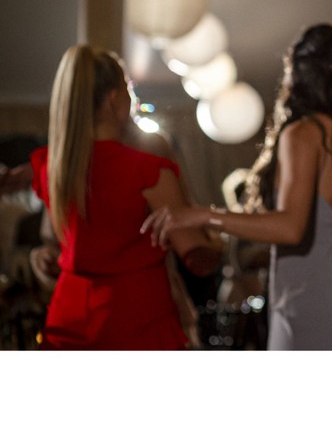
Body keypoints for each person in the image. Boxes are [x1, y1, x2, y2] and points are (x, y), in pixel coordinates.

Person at [144, 24, 332, 350]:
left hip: (312, 308)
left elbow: (289, 227)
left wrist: (203, 215)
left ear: (300, 72)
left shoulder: (303, 133)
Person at [29, 45, 220, 350]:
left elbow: (54, 244)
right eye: (128, 89)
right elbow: (197, 259)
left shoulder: (53, 169)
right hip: (138, 319)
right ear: (115, 100)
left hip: (70, 318)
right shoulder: (149, 171)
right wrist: (217, 239)